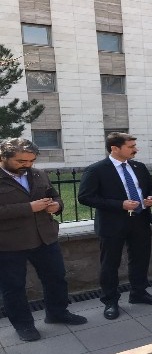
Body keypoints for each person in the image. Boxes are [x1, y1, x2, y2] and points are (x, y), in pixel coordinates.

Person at [0, 138, 87, 342]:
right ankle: (24, 325)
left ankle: (57, 313)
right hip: (9, 243)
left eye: (31, 160)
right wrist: (29, 208)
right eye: (21, 161)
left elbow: (54, 196)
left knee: (56, 278)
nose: (27, 165)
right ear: (3, 157)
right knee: (14, 287)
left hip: (45, 238)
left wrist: (56, 206)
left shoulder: (38, 173)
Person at [78, 132, 152, 321]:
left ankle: (139, 293)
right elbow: (85, 197)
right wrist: (120, 204)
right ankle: (110, 301)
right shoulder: (97, 170)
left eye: (135, 145)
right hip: (112, 224)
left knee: (141, 259)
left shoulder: (139, 166)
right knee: (110, 264)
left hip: (140, 219)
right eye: (131, 146)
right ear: (115, 148)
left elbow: (151, 187)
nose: (136, 149)